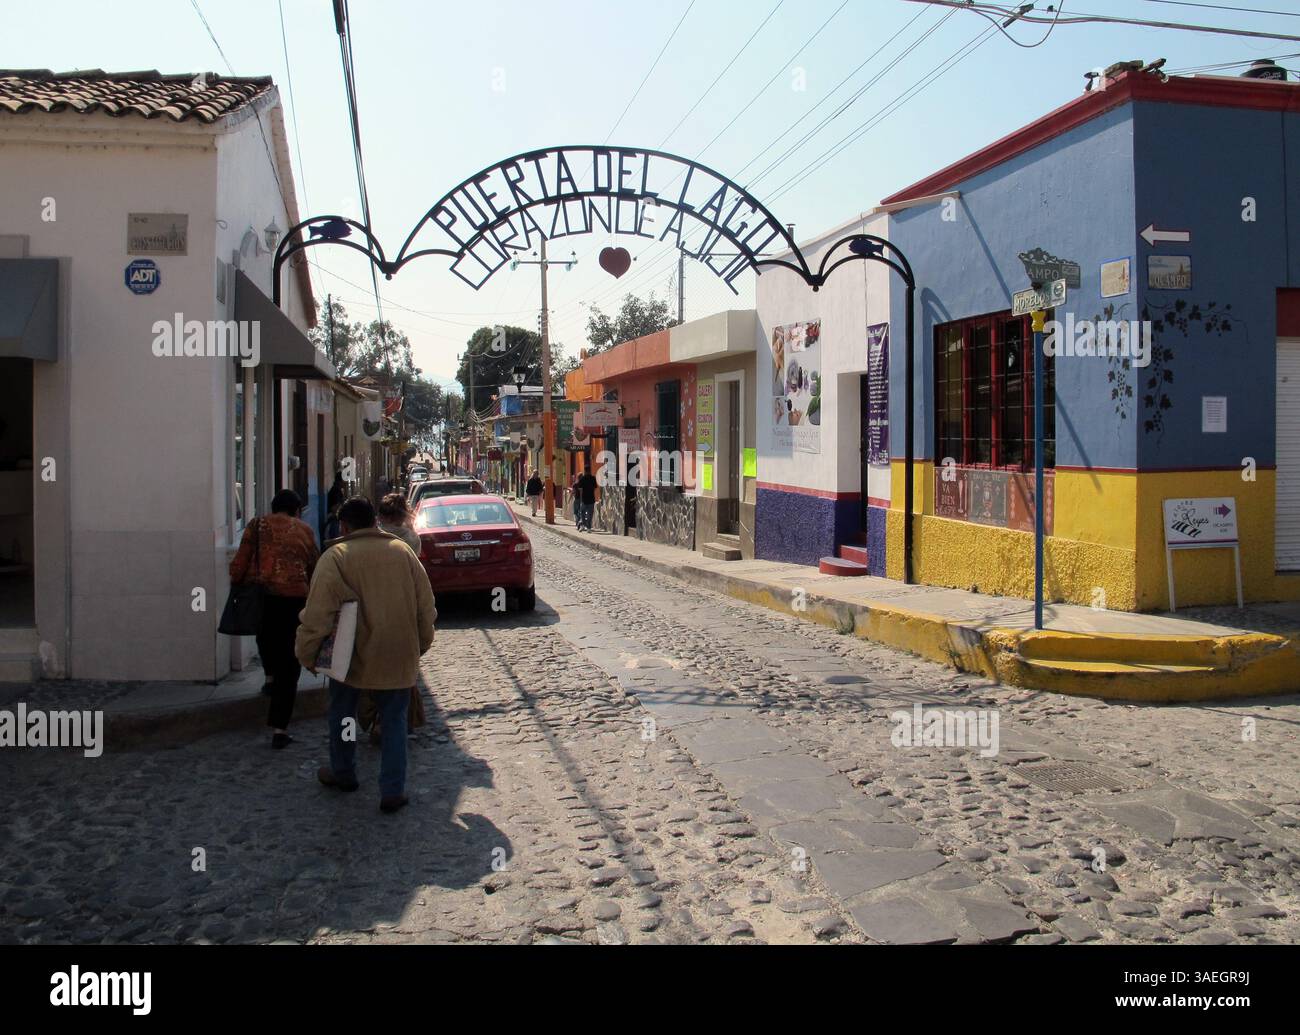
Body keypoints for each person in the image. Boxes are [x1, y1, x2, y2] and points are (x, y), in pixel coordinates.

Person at [297, 496, 436, 814]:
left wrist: (307, 653)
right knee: (394, 721)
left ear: (344, 526)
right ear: (375, 521)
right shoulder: (402, 553)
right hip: (397, 652)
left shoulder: (336, 557)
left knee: (343, 714)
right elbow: (425, 606)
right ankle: (392, 790)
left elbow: (318, 613)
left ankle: (343, 772)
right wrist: (422, 643)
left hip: (350, 654)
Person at [229, 489, 319, 749]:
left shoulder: (257, 525)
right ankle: (280, 728)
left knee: (265, 638)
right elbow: (313, 564)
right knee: (290, 664)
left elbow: (239, 563)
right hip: (294, 601)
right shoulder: (304, 530)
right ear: (297, 509)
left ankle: (269, 677)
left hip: (263, 597)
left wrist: (238, 582)